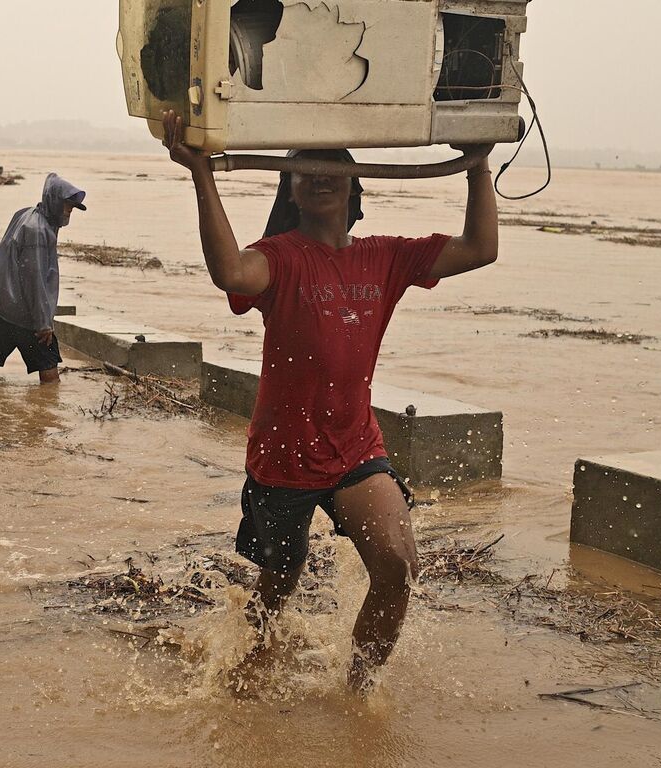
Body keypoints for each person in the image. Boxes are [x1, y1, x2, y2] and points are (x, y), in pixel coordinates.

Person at [159, 111, 499, 691]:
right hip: (283, 459)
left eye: (332, 168)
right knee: (278, 586)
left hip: (354, 449)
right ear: (290, 189)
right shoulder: (280, 255)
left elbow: (480, 248)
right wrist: (200, 174)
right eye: (306, 171)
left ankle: (357, 694)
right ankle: (246, 669)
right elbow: (230, 272)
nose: (320, 178)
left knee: (397, 569)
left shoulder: (385, 256)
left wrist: (476, 164)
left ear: (354, 184)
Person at [0, 174, 85, 384]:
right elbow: (35, 279)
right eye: (68, 207)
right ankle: (48, 414)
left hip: (5, 307)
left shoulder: (26, 215)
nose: (69, 212)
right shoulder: (38, 231)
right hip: (27, 314)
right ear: (55, 202)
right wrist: (43, 323)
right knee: (49, 366)